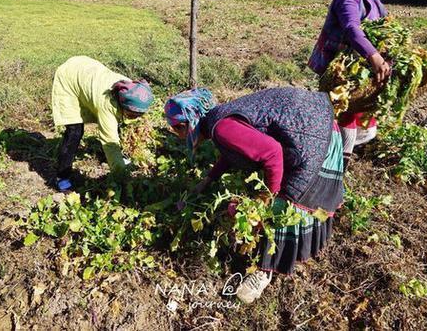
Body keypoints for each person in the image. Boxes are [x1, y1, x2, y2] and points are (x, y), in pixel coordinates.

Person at [164, 87, 344, 304]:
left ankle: (264, 271)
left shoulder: (221, 128)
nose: (176, 135)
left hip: (312, 133)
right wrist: (208, 179)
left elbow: (272, 153)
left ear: (185, 124)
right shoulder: (217, 120)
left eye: (175, 130)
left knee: (285, 202)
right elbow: (232, 149)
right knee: (277, 190)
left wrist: (267, 198)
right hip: (315, 117)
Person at [308, 0, 398, 169]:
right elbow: (351, 28)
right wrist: (374, 56)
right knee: (344, 111)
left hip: (360, 67)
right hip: (338, 65)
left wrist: (388, 56)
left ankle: (335, 150)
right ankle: (336, 162)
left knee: (359, 117)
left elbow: (383, 32)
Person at [51, 56, 154, 192]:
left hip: (86, 69)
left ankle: (116, 159)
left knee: (116, 124)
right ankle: (62, 176)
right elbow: (110, 142)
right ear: (123, 105)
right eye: (133, 114)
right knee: (75, 131)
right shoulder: (107, 106)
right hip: (69, 78)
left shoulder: (131, 89)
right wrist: (122, 177)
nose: (136, 118)